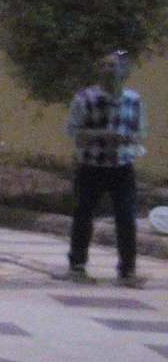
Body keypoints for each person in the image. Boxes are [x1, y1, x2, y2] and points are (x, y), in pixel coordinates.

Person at [66, 49, 147, 285]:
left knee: (126, 217)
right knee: (83, 214)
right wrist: (104, 135)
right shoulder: (85, 99)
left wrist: (130, 141)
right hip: (91, 166)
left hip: (122, 167)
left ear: (123, 70)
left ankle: (127, 270)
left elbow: (140, 132)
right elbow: (74, 132)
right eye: (104, 65)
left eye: (113, 65)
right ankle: (77, 265)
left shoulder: (133, 100)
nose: (108, 70)